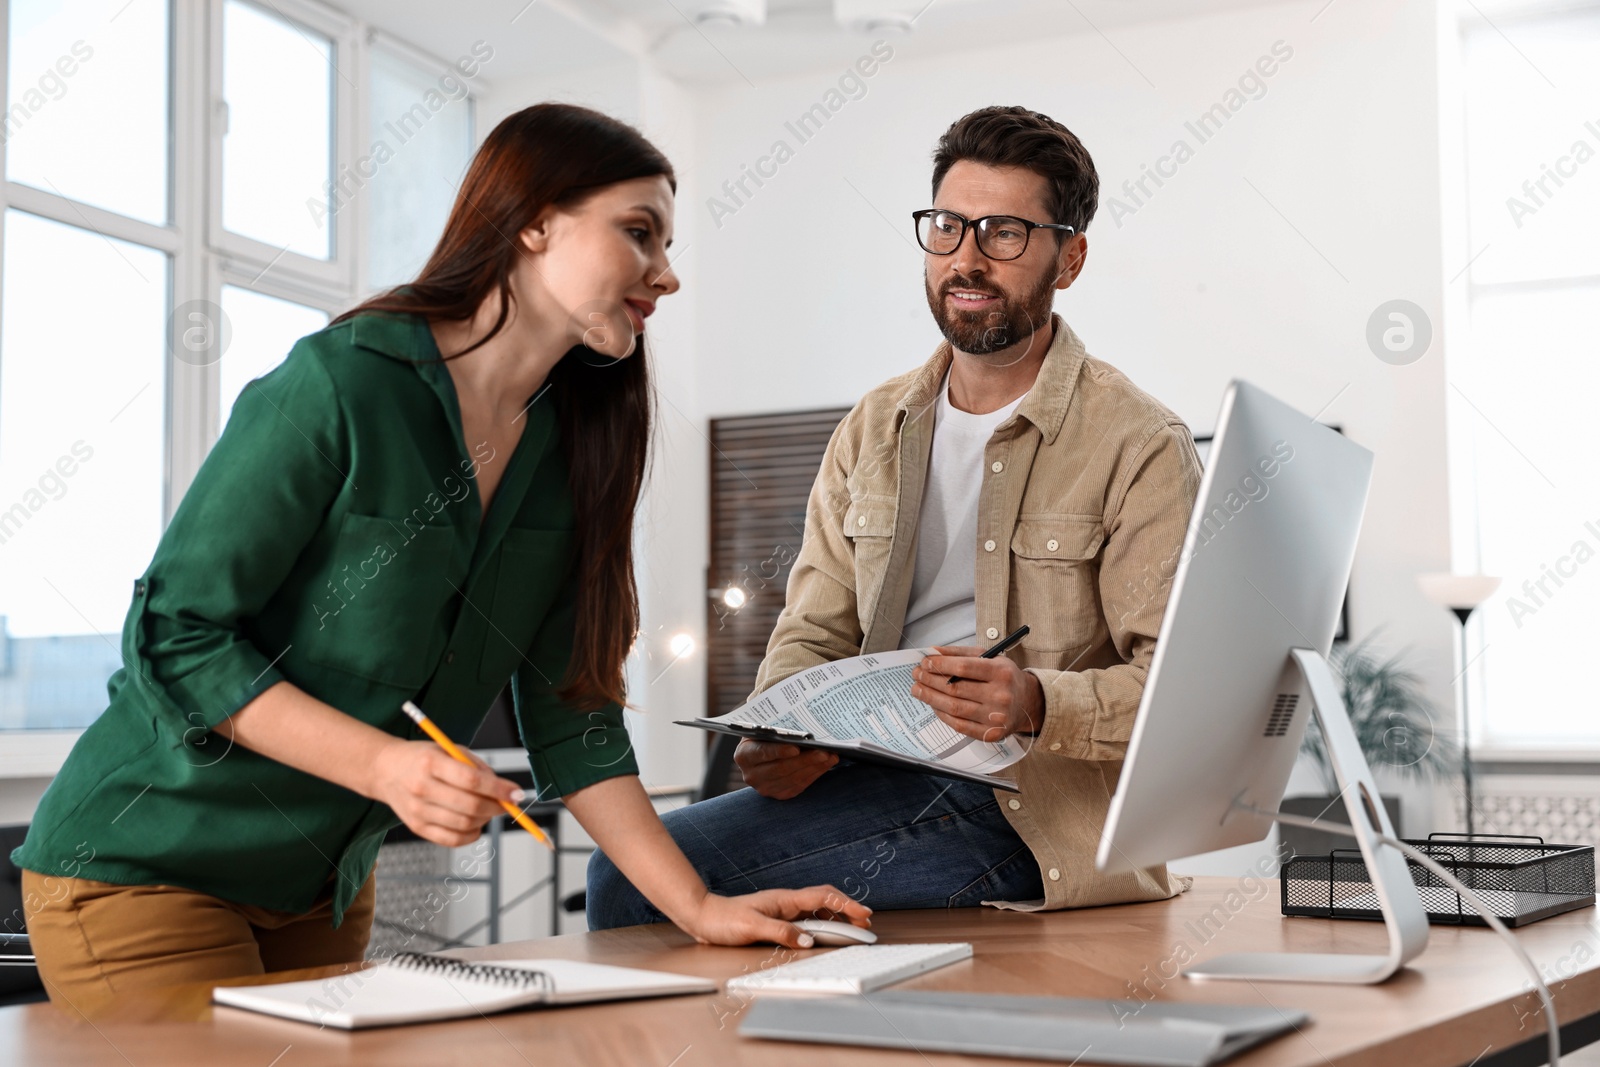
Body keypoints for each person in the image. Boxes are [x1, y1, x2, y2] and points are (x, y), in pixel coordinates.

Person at [13, 103, 866, 1009]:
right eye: (639, 232)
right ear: (534, 219)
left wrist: (699, 905)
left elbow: (571, 714)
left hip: (319, 890)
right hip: (146, 863)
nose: (667, 273)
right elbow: (175, 631)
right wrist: (386, 768)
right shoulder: (340, 384)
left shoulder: (574, 451)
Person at [588, 105, 1202, 927]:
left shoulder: (1140, 443)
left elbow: (1181, 693)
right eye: (947, 227)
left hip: (1027, 810)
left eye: (1006, 233)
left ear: (1072, 256)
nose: (967, 258)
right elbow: (813, 628)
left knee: (627, 882)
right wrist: (776, 732)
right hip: (872, 778)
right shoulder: (874, 427)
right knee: (633, 866)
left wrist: (1034, 703)